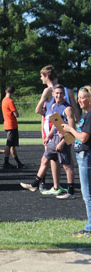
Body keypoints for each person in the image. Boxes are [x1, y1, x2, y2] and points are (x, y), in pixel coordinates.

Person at [20, 85, 75, 198]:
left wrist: (62, 142)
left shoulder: (67, 109)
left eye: (61, 93)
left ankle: (71, 191)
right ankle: (34, 184)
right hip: (53, 139)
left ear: (64, 95)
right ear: (53, 94)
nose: (59, 95)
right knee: (44, 159)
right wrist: (48, 136)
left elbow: (71, 128)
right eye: (57, 93)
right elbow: (56, 124)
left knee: (66, 166)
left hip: (63, 139)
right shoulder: (54, 106)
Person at [35, 65, 80, 191]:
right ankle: (64, 185)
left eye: (41, 76)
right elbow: (75, 109)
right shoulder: (68, 90)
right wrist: (79, 124)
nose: (40, 79)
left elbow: (37, 109)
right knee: (66, 157)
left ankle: (55, 185)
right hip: (65, 124)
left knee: (51, 156)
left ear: (47, 76)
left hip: (52, 124)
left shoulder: (48, 90)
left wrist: (47, 114)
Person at [62, 86, 91, 237]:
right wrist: (66, 132)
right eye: (78, 97)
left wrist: (70, 129)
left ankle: (90, 227)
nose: (79, 100)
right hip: (82, 155)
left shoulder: (89, 116)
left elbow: (84, 137)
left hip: (86, 157)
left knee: (87, 194)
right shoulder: (85, 116)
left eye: (83, 97)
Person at [1, 86, 24, 169]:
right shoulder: (10, 101)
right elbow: (16, 114)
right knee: (9, 144)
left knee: (12, 145)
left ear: (5, 91)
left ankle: (18, 162)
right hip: (11, 125)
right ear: (13, 92)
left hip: (7, 124)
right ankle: (5, 162)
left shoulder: (3, 100)